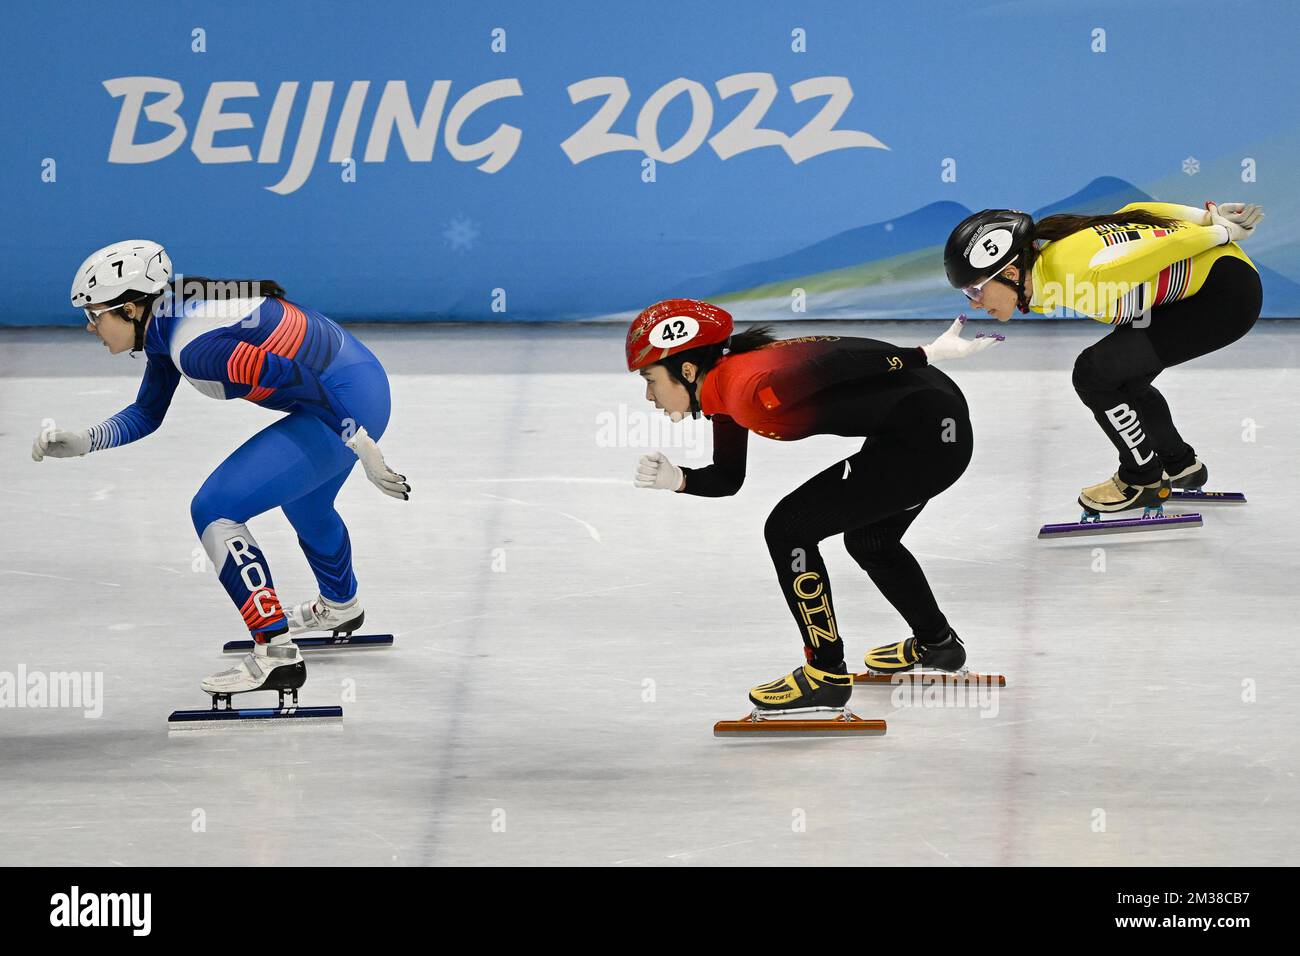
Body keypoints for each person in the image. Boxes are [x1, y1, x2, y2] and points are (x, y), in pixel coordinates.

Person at [33, 240, 409, 703]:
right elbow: (148, 413)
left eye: (94, 316)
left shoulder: (195, 346)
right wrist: (85, 441)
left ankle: (275, 654)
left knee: (214, 509)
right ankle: (341, 605)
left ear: (130, 308)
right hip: (361, 383)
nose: (90, 328)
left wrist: (360, 443)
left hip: (343, 404)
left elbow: (299, 379)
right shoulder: (169, 320)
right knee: (308, 503)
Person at [627, 298, 997, 711]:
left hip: (929, 438)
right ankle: (939, 644)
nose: (648, 395)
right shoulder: (725, 389)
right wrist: (679, 480)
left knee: (789, 529)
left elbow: (836, 362)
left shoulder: (749, 389)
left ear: (688, 371)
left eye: (650, 379)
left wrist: (924, 353)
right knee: (870, 540)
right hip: (918, 422)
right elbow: (729, 478)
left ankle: (825, 674)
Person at [945, 201, 1263, 513]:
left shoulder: (1081, 275)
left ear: (1011, 272)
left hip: (1226, 297)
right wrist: (1206, 217)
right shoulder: (1051, 268)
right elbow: (1131, 211)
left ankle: (1143, 480)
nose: (974, 303)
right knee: (1121, 378)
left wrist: (1220, 231)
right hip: (1207, 286)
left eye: (974, 290)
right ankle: (1180, 465)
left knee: (1094, 373)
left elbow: (1168, 245)